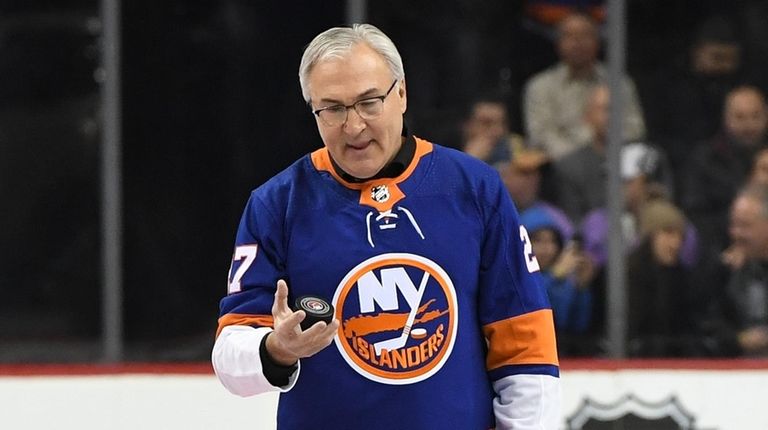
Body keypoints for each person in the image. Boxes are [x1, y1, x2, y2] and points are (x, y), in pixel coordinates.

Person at [211, 24, 561, 429]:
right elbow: (230, 356)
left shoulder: (474, 188)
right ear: (313, 110)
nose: (354, 126)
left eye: (368, 102)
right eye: (333, 109)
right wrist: (275, 348)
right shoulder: (276, 204)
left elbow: (525, 343)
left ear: (401, 94)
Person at [522, 11, 645, 161]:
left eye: (585, 35)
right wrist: (586, 149)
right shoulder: (540, 86)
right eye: (570, 36)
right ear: (558, 43)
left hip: (613, 164)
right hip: (561, 169)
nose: (578, 43)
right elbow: (540, 137)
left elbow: (635, 130)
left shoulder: (619, 83)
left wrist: (603, 150)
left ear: (597, 41)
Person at [681, 85, 768, 257]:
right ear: (726, 119)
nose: (748, 125)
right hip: (720, 251)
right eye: (740, 117)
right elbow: (697, 217)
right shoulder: (705, 160)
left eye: (755, 116)